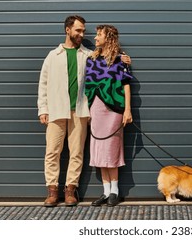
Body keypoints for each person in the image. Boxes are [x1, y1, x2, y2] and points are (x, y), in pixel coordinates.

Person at [37, 16, 131, 207]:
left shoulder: (89, 55)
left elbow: (111, 59)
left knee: (77, 152)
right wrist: (43, 109)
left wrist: (124, 58)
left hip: (80, 112)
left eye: (83, 31)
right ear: (67, 30)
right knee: (52, 152)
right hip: (56, 111)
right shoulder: (52, 56)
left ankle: (70, 190)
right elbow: (43, 84)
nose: (82, 34)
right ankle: (52, 191)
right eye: (78, 30)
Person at [84, 25, 133, 207]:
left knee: (111, 148)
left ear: (109, 38)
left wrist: (127, 110)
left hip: (114, 109)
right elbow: (87, 87)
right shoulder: (91, 59)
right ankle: (105, 192)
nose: (95, 38)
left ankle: (115, 191)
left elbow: (126, 85)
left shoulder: (121, 60)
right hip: (96, 108)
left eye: (99, 35)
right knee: (99, 149)